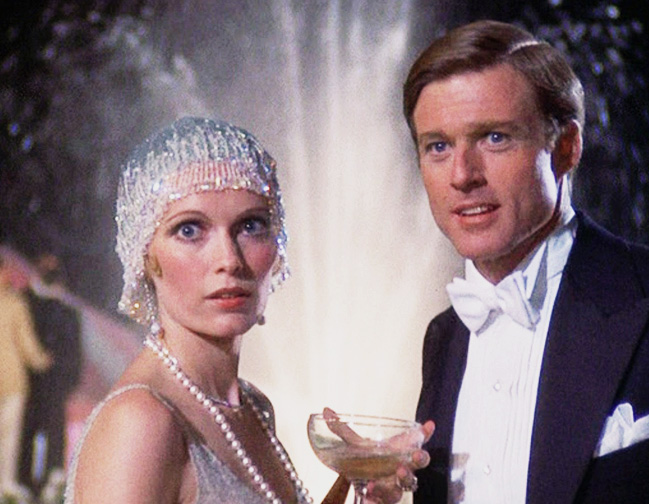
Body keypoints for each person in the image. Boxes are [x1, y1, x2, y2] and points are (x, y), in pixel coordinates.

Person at [403, 19, 649, 504]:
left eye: (494, 138)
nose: (462, 175)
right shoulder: (444, 339)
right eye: (438, 146)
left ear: (567, 148)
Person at [64, 117, 431, 503]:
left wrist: (360, 488)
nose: (229, 259)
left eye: (250, 226)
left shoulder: (252, 408)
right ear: (145, 256)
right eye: (189, 230)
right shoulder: (141, 422)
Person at [19, 253, 82, 494]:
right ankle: (23, 484)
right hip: (30, 383)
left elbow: (74, 350)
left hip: (56, 384)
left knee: (55, 433)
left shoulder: (68, 310)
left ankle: (52, 483)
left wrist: (70, 381)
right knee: (26, 433)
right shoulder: (25, 302)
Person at [0, 256, 53, 494]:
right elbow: (26, 343)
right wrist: (42, 360)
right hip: (12, 379)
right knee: (9, 435)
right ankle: (5, 485)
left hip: (11, 380)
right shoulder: (14, 303)